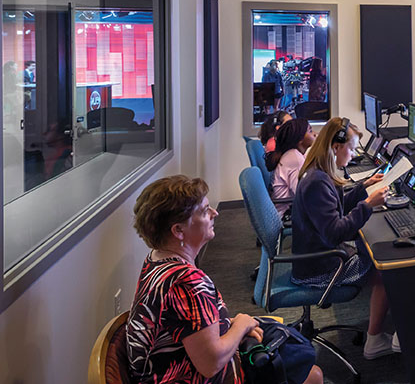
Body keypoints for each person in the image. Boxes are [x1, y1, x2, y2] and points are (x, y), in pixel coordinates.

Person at [127, 175, 324, 384]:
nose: (215, 213)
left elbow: (185, 328)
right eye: (204, 211)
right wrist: (240, 324)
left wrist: (232, 325)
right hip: (191, 377)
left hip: (172, 368)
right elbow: (211, 364)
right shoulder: (186, 281)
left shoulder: (155, 260)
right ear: (178, 230)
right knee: (313, 375)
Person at [290, 118, 398, 360]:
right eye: (351, 148)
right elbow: (336, 232)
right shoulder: (317, 182)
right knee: (387, 271)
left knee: (377, 256)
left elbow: (336, 210)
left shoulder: (318, 173)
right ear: (336, 147)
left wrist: (364, 187)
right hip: (319, 268)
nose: (352, 154)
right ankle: (375, 340)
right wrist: (368, 205)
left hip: (316, 258)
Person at [267, 118, 316, 218]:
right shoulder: (295, 158)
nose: (314, 134)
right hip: (288, 212)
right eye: (310, 131)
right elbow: (302, 194)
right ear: (300, 140)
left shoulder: (293, 154)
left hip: (288, 207)